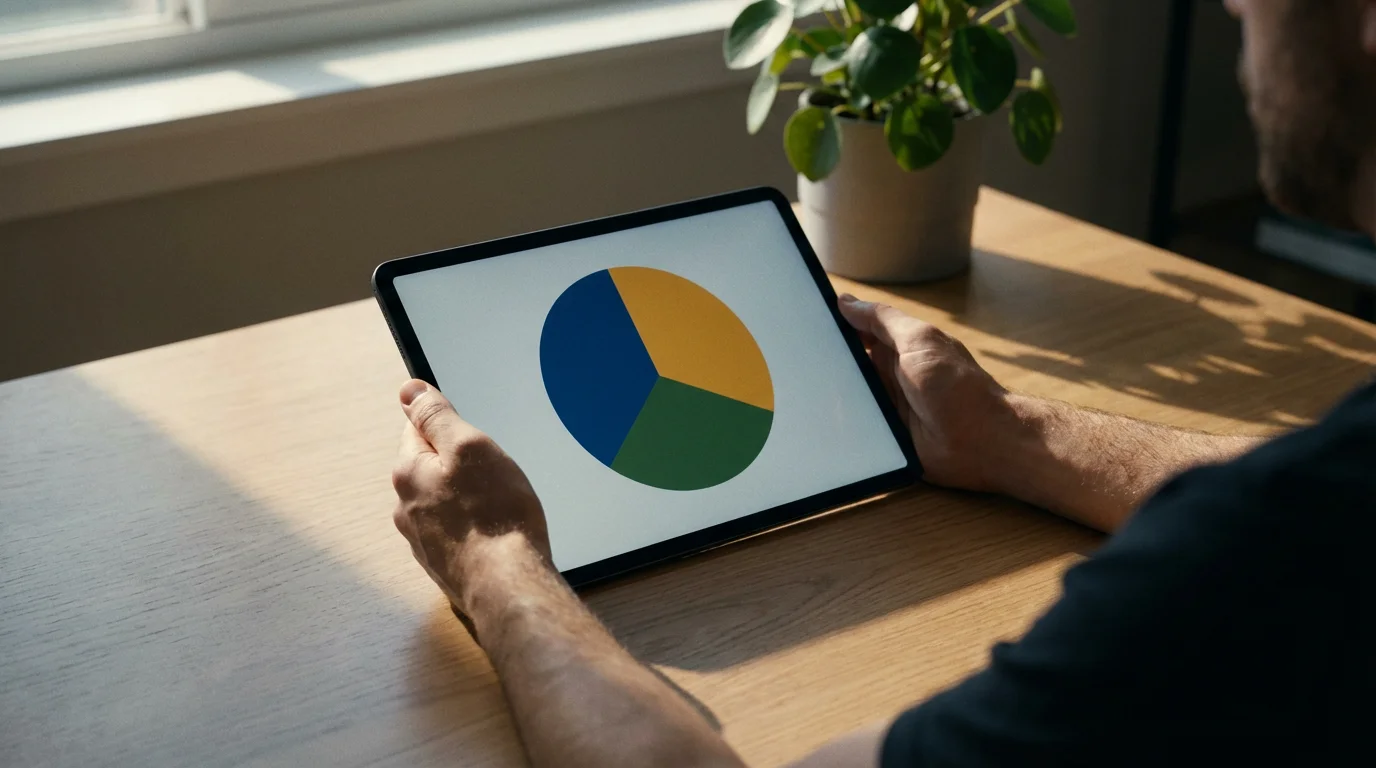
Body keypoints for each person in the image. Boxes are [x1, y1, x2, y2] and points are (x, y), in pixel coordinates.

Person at [387, 1, 1376, 764]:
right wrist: (1006, 433)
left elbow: (1287, 526)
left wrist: (497, 564)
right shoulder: (1317, 507)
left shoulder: (1247, 573)